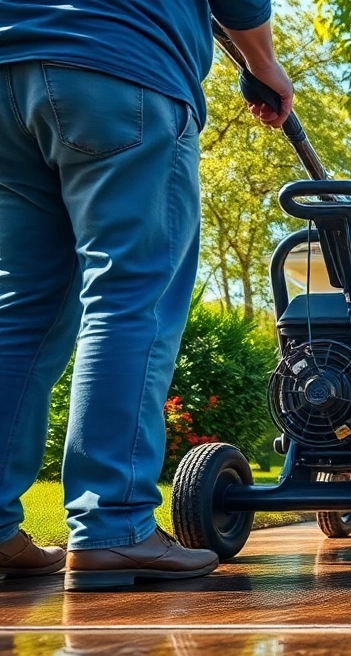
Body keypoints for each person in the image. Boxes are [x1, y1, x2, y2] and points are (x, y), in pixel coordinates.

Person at [0, 1, 294, 589]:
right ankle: (114, 525)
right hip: (118, 69)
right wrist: (263, 61)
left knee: (22, 314)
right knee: (130, 296)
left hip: (8, 71)